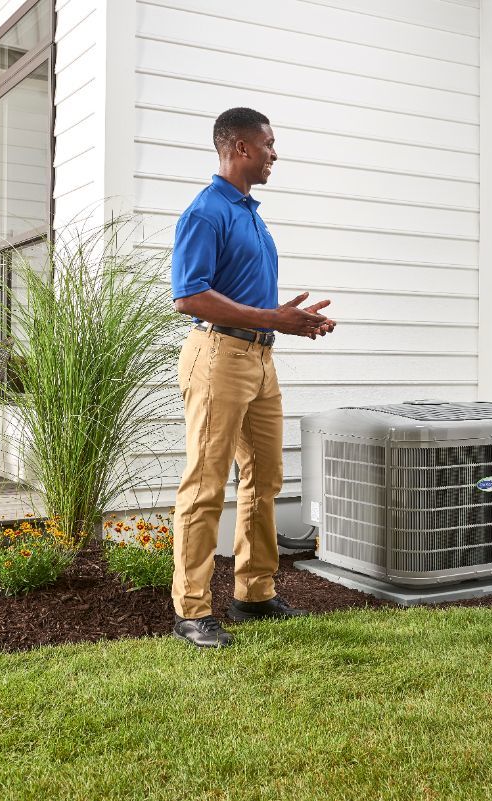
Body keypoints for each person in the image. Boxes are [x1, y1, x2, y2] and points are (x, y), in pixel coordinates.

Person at [170, 107, 337, 648]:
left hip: (259, 360)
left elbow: (247, 297)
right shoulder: (206, 212)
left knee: (264, 479)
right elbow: (189, 296)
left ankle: (254, 592)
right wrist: (272, 319)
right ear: (239, 147)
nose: (274, 153)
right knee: (205, 484)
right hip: (217, 357)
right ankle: (191, 609)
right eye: (268, 143)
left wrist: (293, 322)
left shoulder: (250, 214)